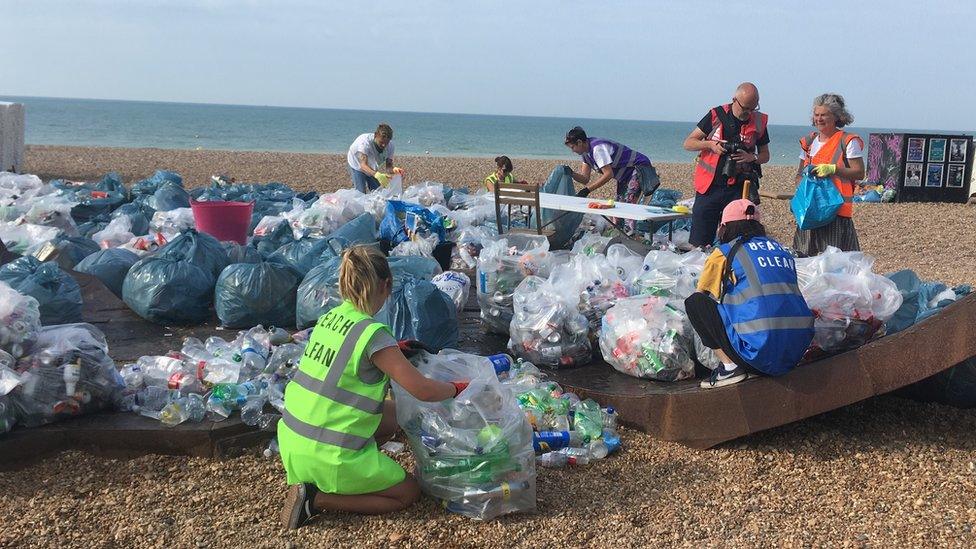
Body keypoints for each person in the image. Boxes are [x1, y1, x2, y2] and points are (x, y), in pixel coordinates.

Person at [279, 246, 467, 528]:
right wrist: (456, 388)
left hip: (294, 442)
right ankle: (315, 499)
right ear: (386, 285)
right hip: (329, 454)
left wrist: (395, 350)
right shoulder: (373, 334)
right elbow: (423, 391)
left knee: (396, 415)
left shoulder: (330, 318)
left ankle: (351, 473)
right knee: (408, 492)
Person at [685, 199, 814, 388]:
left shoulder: (724, 253)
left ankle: (729, 369)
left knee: (695, 303)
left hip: (758, 353)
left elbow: (703, 293)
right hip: (795, 352)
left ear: (725, 227)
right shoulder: (781, 250)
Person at [683, 82, 771, 248]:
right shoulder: (716, 115)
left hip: (739, 189)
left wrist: (751, 157)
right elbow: (688, 143)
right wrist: (710, 145)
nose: (748, 113)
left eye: (753, 108)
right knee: (700, 242)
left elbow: (766, 156)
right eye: (745, 108)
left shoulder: (759, 121)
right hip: (709, 187)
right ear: (734, 100)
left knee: (736, 241)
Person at [793, 93, 865, 256]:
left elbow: (859, 172)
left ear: (837, 117)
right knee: (805, 261)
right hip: (809, 213)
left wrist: (833, 169)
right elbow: (798, 174)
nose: (819, 119)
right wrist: (802, 188)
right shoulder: (808, 142)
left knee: (836, 265)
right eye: (816, 115)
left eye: (824, 115)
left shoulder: (847, 141)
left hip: (836, 214)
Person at [563, 126, 660, 203]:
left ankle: (630, 228)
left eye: (572, 147)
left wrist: (587, 191)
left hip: (638, 168)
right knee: (618, 208)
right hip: (624, 176)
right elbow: (585, 179)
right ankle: (620, 227)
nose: (572, 151)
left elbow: (608, 174)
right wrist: (571, 173)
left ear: (579, 142)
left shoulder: (597, 149)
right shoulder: (585, 154)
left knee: (628, 207)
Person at [347, 124, 396, 193]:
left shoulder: (390, 146)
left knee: (378, 191)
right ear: (375, 135)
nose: (384, 145)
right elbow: (363, 165)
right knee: (361, 192)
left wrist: (392, 174)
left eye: (386, 143)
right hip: (356, 163)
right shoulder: (364, 142)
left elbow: (389, 165)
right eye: (381, 142)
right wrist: (377, 175)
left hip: (371, 164)